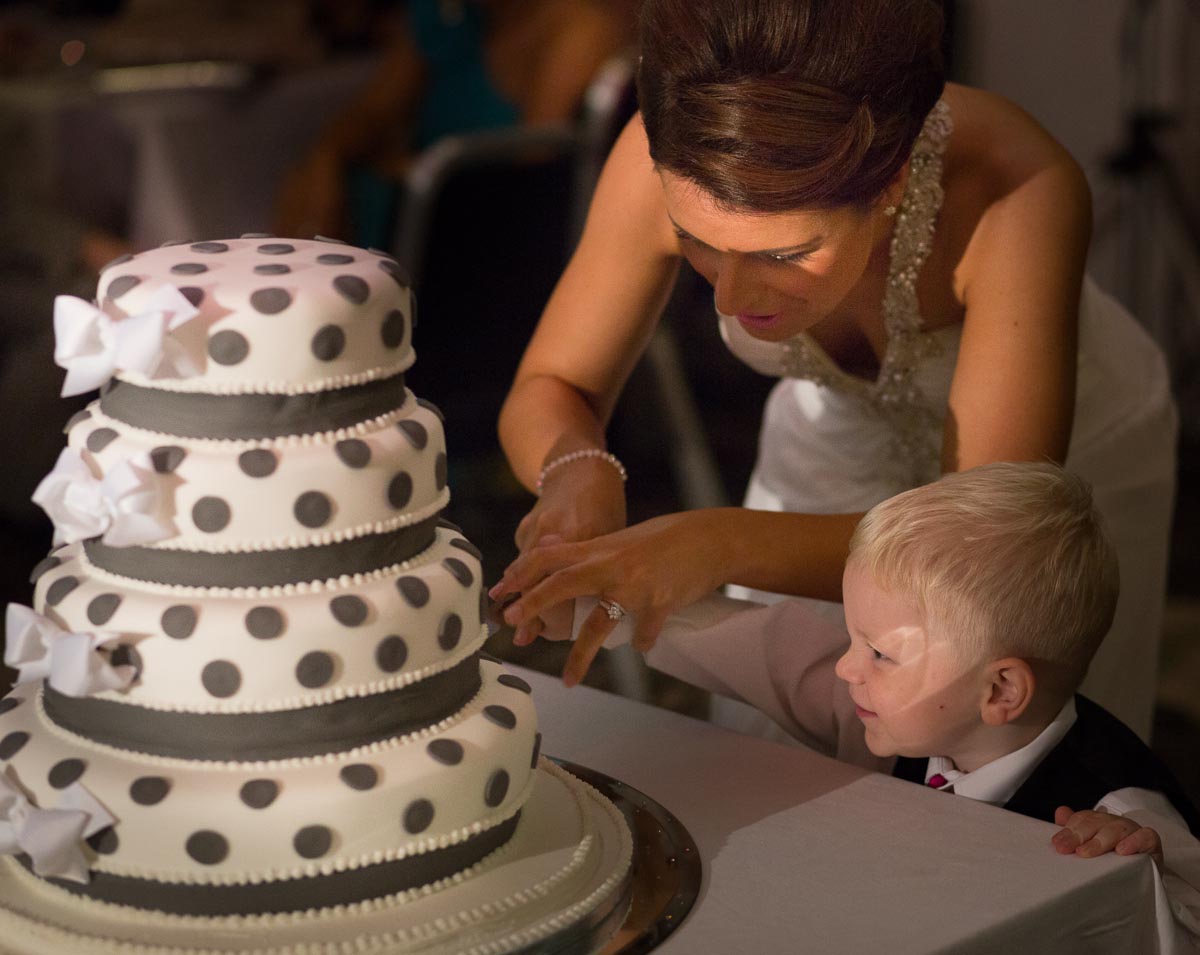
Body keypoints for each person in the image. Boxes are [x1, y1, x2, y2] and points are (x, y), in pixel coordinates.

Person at [491, 0, 1177, 741]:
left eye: (784, 255)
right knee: (781, 748)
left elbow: (978, 544)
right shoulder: (672, 149)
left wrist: (715, 543)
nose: (730, 299)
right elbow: (554, 384)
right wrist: (575, 469)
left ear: (892, 183)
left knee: (1012, 754)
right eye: (698, 242)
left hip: (1036, 503)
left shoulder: (1015, 186)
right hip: (836, 444)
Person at [568, 463, 1200, 946]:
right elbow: (764, 650)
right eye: (853, 639)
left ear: (1000, 692)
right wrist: (601, 610)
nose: (847, 667)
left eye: (879, 652)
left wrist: (1149, 868)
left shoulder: (1117, 814)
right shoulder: (899, 714)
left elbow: (1180, 919)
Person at [274, 0, 629, 247]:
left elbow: (530, 173)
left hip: (480, 221)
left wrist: (412, 171)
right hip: (409, 196)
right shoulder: (446, 14)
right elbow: (373, 112)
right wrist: (328, 158)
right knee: (312, 179)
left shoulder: (578, 30)